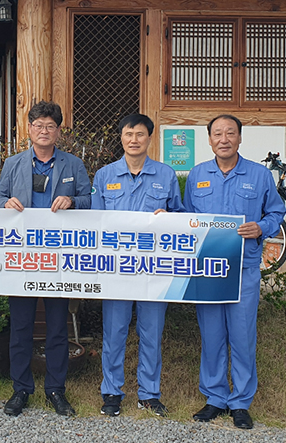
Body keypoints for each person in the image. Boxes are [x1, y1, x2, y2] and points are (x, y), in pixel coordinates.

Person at [183, 114, 286, 430]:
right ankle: (214, 398)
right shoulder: (198, 174)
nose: (223, 139)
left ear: (240, 138)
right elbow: (186, 217)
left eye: (230, 133)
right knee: (212, 336)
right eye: (217, 133)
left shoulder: (258, 175)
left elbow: (276, 212)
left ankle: (240, 402)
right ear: (209, 139)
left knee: (242, 337)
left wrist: (261, 228)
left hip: (244, 269)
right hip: (208, 270)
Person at [0, 100, 91, 417]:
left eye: (50, 126)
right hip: (22, 257)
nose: (44, 131)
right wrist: (5, 204)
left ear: (58, 131)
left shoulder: (73, 165)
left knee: (57, 328)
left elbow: (89, 201)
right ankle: (21, 389)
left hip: (59, 257)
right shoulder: (13, 164)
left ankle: (56, 389)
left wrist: (72, 200)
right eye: (38, 125)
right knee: (21, 326)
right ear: (29, 129)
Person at [91, 114, 183, 418]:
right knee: (114, 332)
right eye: (129, 134)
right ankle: (112, 392)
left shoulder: (166, 175)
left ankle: (149, 393)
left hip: (154, 271)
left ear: (149, 138)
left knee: (151, 332)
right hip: (116, 270)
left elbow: (181, 220)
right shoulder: (104, 176)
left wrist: (167, 218)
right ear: (121, 138)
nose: (134, 140)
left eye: (140, 134)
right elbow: (95, 223)